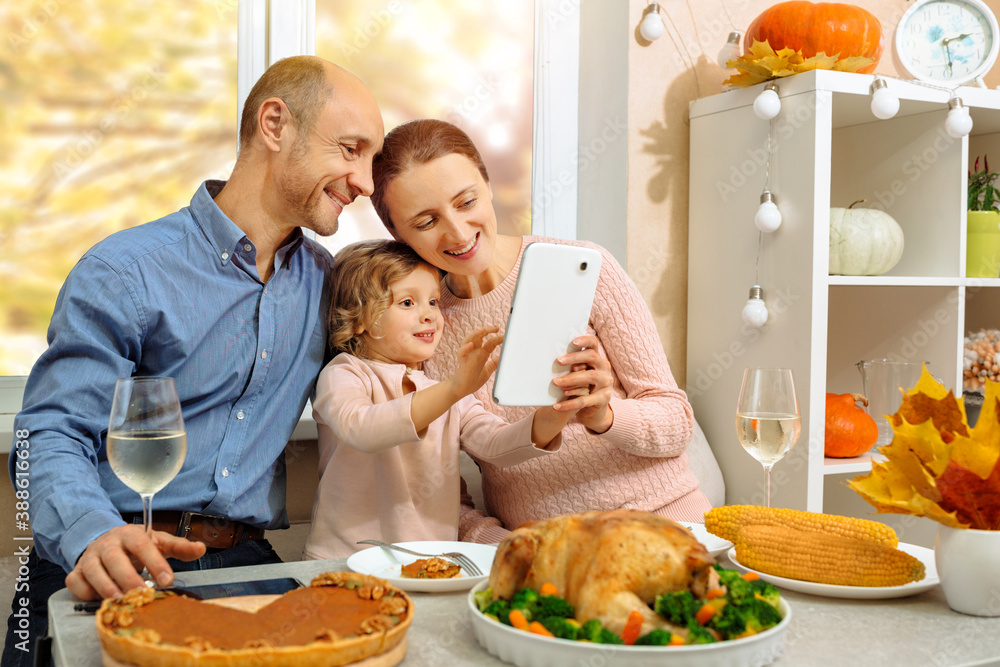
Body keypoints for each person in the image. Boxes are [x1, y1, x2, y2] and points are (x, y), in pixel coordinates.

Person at [3, 55, 383, 664]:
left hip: (245, 561)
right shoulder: (125, 271)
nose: (364, 181)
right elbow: (48, 432)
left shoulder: (328, 283)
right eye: (351, 149)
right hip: (109, 550)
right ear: (275, 124)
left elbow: (417, 348)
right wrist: (91, 535)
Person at [369, 119, 711, 544]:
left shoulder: (586, 269)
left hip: (666, 521)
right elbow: (438, 498)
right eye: (425, 222)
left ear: (488, 184)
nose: (457, 232)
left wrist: (606, 416)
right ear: (396, 234)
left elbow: (677, 424)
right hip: (543, 550)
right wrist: (499, 545)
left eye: (466, 201)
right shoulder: (418, 329)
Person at [302, 239, 570, 559]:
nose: (429, 314)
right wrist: (455, 389)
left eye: (433, 302)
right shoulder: (345, 373)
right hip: (343, 562)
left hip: (431, 564)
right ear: (359, 320)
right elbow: (363, 429)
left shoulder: (445, 391)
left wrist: (560, 407)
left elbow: (496, 444)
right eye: (407, 303)